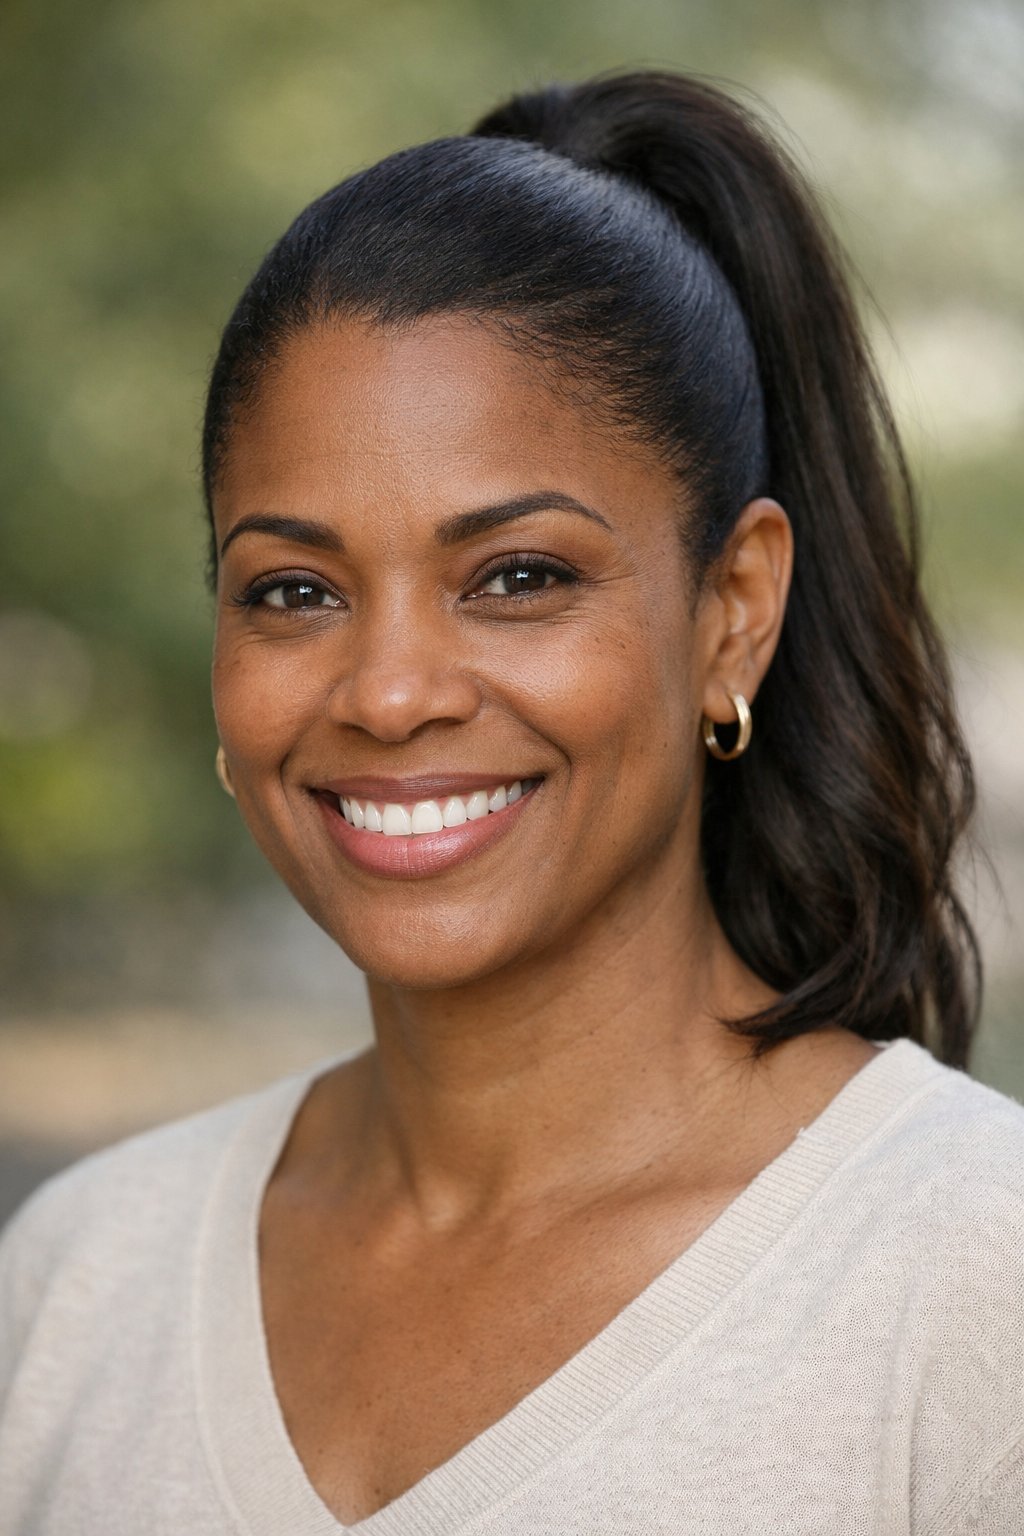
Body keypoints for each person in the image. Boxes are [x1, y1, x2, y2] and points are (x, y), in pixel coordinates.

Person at [1, 67, 1021, 1535]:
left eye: (518, 577)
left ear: (732, 611)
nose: (391, 691)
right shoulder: (81, 1285)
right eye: (294, 591)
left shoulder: (972, 1296)